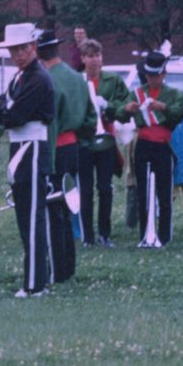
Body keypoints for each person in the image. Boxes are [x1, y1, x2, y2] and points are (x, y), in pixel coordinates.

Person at [0, 23, 58, 297]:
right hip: (19, 144)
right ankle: (33, 279)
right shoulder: (19, 77)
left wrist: (5, 111)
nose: (18, 54)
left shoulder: (38, 77)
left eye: (23, 48)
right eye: (14, 49)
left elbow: (13, 115)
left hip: (33, 145)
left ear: (33, 47)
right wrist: (4, 111)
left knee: (33, 215)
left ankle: (36, 283)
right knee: (24, 213)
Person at [74, 41, 131, 247]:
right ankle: (87, 236)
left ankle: (105, 234)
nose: (94, 59)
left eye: (97, 55)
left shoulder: (113, 80)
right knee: (86, 190)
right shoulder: (77, 80)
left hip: (106, 140)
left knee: (105, 188)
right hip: (84, 142)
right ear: (83, 59)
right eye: (90, 56)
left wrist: (109, 105)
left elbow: (126, 104)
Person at [127, 50, 183, 248]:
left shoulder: (173, 93)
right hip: (143, 144)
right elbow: (122, 111)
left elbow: (180, 112)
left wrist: (164, 108)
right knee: (143, 191)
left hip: (163, 146)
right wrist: (128, 109)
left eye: (156, 75)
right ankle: (145, 235)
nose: (152, 79)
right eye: (149, 76)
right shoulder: (137, 92)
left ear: (164, 74)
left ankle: (165, 236)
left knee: (164, 191)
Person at [41, 31, 86, 278]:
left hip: (55, 147)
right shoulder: (76, 77)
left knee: (53, 210)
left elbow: (51, 124)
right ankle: (67, 266)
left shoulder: (48, 79)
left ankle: (57, 269)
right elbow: (89, 116)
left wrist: (44, 158)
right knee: (67, 208)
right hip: (73, 146)